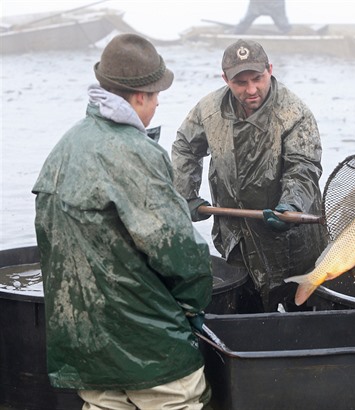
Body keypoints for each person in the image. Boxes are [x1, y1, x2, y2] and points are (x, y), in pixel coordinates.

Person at [32, 34, 214, 409]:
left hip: (86, 344)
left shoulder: (64, 148)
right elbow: (178, 249)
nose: (159, 101)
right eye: (157, 92)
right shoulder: (136, 152)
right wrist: (194, 307)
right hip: (151, 348)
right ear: (140, 95)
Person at [172, 39, 328, 313]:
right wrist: (186, 194)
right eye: (240, 83)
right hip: (236, 237)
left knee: (299, 316)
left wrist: (290, 206)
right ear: (226, 79)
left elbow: (303, 167)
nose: (251, 89)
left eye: (257, 79)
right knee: (246, 315)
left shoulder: (294, 113)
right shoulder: (209, 110)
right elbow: (185, 146)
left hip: (292, 240)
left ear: (270, 69)